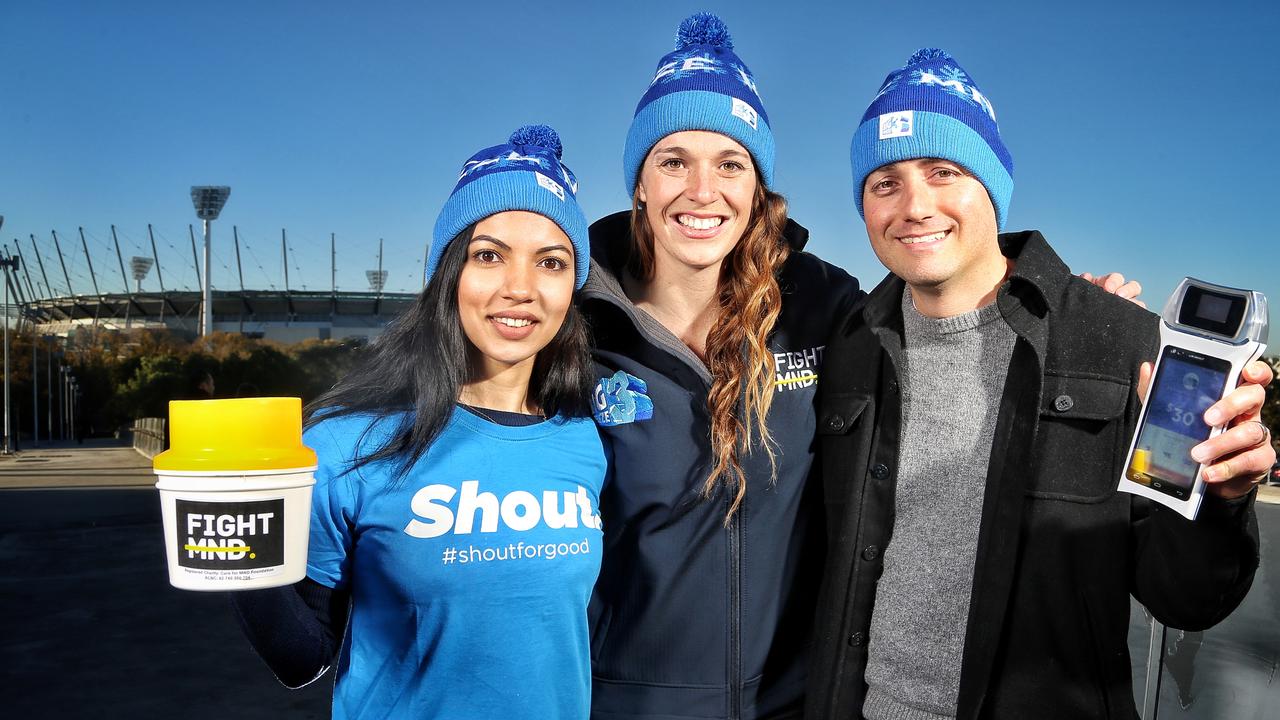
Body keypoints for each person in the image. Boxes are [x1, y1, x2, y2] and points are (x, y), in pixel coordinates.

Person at [584, 15, 1146, 720]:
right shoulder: (577, 327)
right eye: (673, 161)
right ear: (639, 182)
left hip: (795, 702)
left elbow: (947, 309)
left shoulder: (824, 307)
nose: (702, 189)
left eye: (730, 163)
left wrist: (1077, 320)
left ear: (757, 187)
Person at [805, 49, 1274, 719]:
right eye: (885, 182)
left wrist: (1223, 499)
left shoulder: (1120, 341)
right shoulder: (850, 347)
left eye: (944, 172)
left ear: (991, 186)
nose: (914, 205)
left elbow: (1187, 599)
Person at [232, 125, 606, 719]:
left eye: (551, 262)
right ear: (447, 275)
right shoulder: (346, 444)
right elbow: (300, 659)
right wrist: (239, 549)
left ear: (572, 287)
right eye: (489, 256)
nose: (521, 289)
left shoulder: (583, 439)